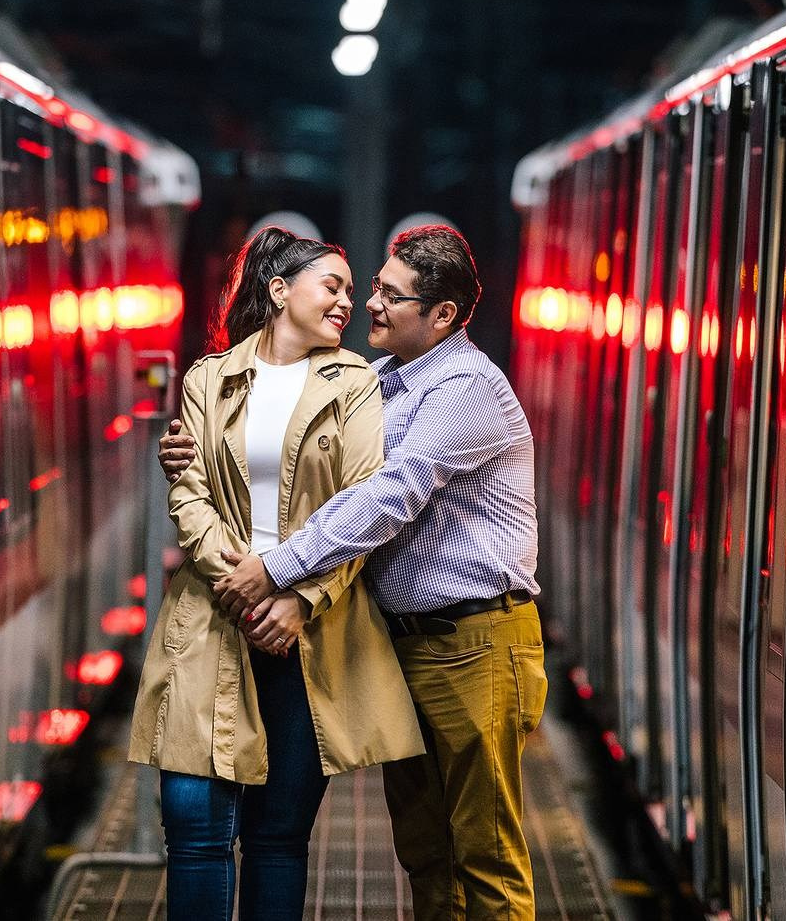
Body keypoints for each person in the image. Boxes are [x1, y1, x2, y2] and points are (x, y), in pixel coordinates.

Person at [159, 224, 544, 920]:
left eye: (388, 295)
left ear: (443, 315)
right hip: (411, 647)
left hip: (476, 645)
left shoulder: (464, 388)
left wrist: (279, 572)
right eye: (367, 288)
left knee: (484, 853)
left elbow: (383, 495)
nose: (368, 304)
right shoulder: (388, 381)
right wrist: (189, 455)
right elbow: (321, 478)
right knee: (428, 849)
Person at [127, 227, 423, 921]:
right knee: (195, 831)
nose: (348, 302)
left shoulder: (355, 383)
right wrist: (240, 583)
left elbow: (363, 500)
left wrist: (300, 597)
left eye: (352, 292)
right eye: (334, 286)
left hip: (307, 633)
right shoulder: (210, 376)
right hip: (211, 622)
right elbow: (188, 490)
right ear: (279, 290)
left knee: (276, 837)